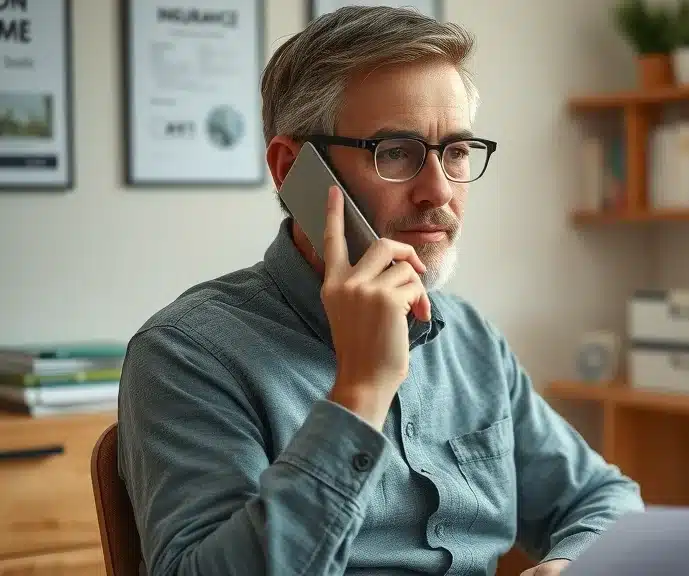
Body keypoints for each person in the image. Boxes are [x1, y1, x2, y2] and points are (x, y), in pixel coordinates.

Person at [117, 6, 644, 576]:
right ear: (293, 169)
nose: (437, 190)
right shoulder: (187, 353)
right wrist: (360, 393)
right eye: (396, 152)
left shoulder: (467, 337)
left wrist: (565, 564)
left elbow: (605, 499)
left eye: (457, 152)